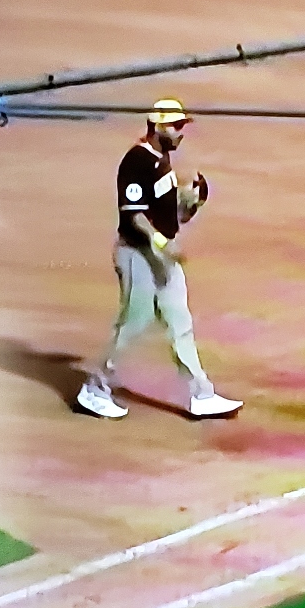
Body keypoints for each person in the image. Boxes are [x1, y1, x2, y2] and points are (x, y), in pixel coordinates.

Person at [75, 98, 242, 419]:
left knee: (180, 322)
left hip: (160, 254)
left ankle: (202, 394)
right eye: (176, 127)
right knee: (134, 323)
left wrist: (190, 202)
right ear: (158, 126)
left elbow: (167, 214)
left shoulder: (162, 159)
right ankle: (94, 389)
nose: (181, 133)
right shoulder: (137, 161)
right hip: (138, 253)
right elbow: (134, 216)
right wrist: (162, 244)